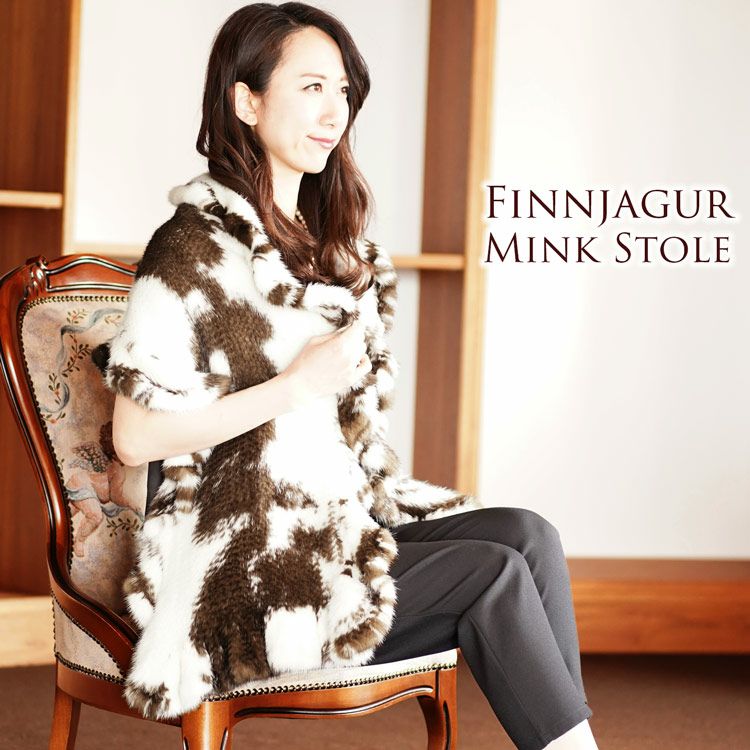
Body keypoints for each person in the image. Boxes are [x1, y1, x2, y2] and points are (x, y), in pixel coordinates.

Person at [111, 4, 599, 749]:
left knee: (529, 536)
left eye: (341, 91)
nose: (333, 111)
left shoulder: (322, 250)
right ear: (246, 101)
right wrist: (295, 386)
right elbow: (134, 437)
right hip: (248, 564)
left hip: (332, 526)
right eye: (311, 87)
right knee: (492, 573)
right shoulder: (191, 247)